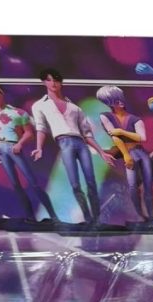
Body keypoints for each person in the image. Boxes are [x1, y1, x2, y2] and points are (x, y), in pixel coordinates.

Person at [31, 67, 114, 223]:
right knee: (75, 184)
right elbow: (40, 127)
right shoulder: (39, 105)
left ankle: (95, 219)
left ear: (61, 83)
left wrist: (101, 152)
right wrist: (39, 147)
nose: (53, 83)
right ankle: (86, 216)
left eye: (56, 80)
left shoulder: (74, 107)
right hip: (65, 144)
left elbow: (87, 133)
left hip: (81, 144)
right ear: (44, 82)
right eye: (48, 80)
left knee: (91, 182)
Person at [0, 83, 56, 220]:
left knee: (33, 183)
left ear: (2, 94)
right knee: (16, 185)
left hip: (14, 147)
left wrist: (20, 143)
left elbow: (29, 133)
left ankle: (53, 216)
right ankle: (30, 217)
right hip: (1, 150)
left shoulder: (18, 112)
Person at [96, 85, 153, 222]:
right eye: (114, 101)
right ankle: (141, 216)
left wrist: (122, 132)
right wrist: (126, 155)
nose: (119, 102)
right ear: (108, 103)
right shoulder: (105, 117)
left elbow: (142, 138)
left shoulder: (135, 119)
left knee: (147, 186)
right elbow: (115, 138)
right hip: (128, 153)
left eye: (119, 99)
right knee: (133, 187)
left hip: (141, 153)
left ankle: (152, 217)